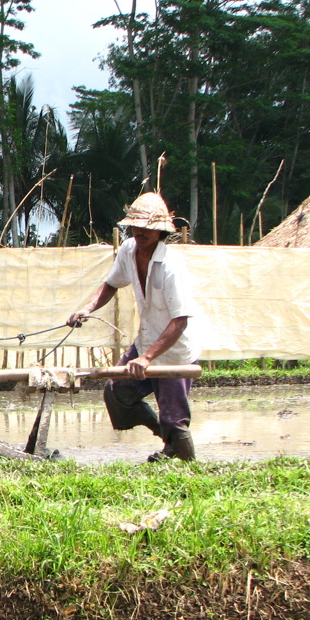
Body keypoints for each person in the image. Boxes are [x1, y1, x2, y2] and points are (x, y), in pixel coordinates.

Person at [67, 192, 202, 461]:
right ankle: (166, 441)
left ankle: (191, 469)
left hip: (173, 350)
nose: (140, 231)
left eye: (148, 228)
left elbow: (180, 321)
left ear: (160, 231)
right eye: (136, 226)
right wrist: (87, 308)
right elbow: (112, 284)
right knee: (117, 390)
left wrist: (148, 357)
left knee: (175, 418)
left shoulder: (171, 266)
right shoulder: (129, 250)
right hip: (146, 340)